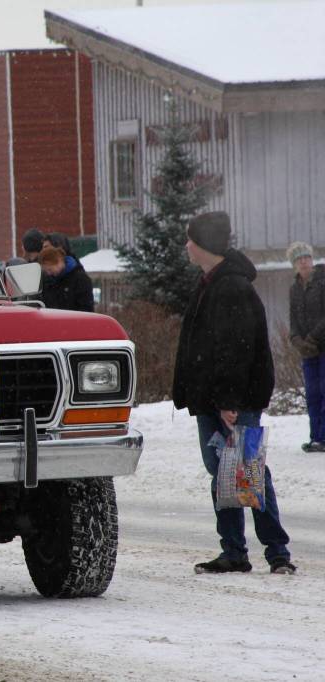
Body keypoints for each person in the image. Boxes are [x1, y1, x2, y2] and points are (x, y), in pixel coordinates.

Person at [171, 211, 295, 575]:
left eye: (190, 239)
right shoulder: (210, 281)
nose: (186, 246)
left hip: (231, 401)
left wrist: (230, 401)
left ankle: (277, 553)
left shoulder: (232, 286)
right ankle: (234, 552)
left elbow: (236, 349)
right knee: (223, 472)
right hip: (211, 400)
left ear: (205, 245)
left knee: (247, 472)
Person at [286, 241, 325, 452]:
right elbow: (293, 320)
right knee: (312, 394)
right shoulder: (294, 289)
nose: (303, 262)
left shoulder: (322, 282)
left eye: (306, 258)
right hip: (308, 351)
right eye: (299, 259)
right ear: (294, 263)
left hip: (322, 345)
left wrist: (312, 337)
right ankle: (316, 436)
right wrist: (296, 340)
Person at [38, 245, 94, 312]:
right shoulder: (48, 281)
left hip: (74, 320)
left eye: (50, 269)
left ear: (59, 261)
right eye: (46, 271)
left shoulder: (80, 279)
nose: (48, 273)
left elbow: (86, 308)